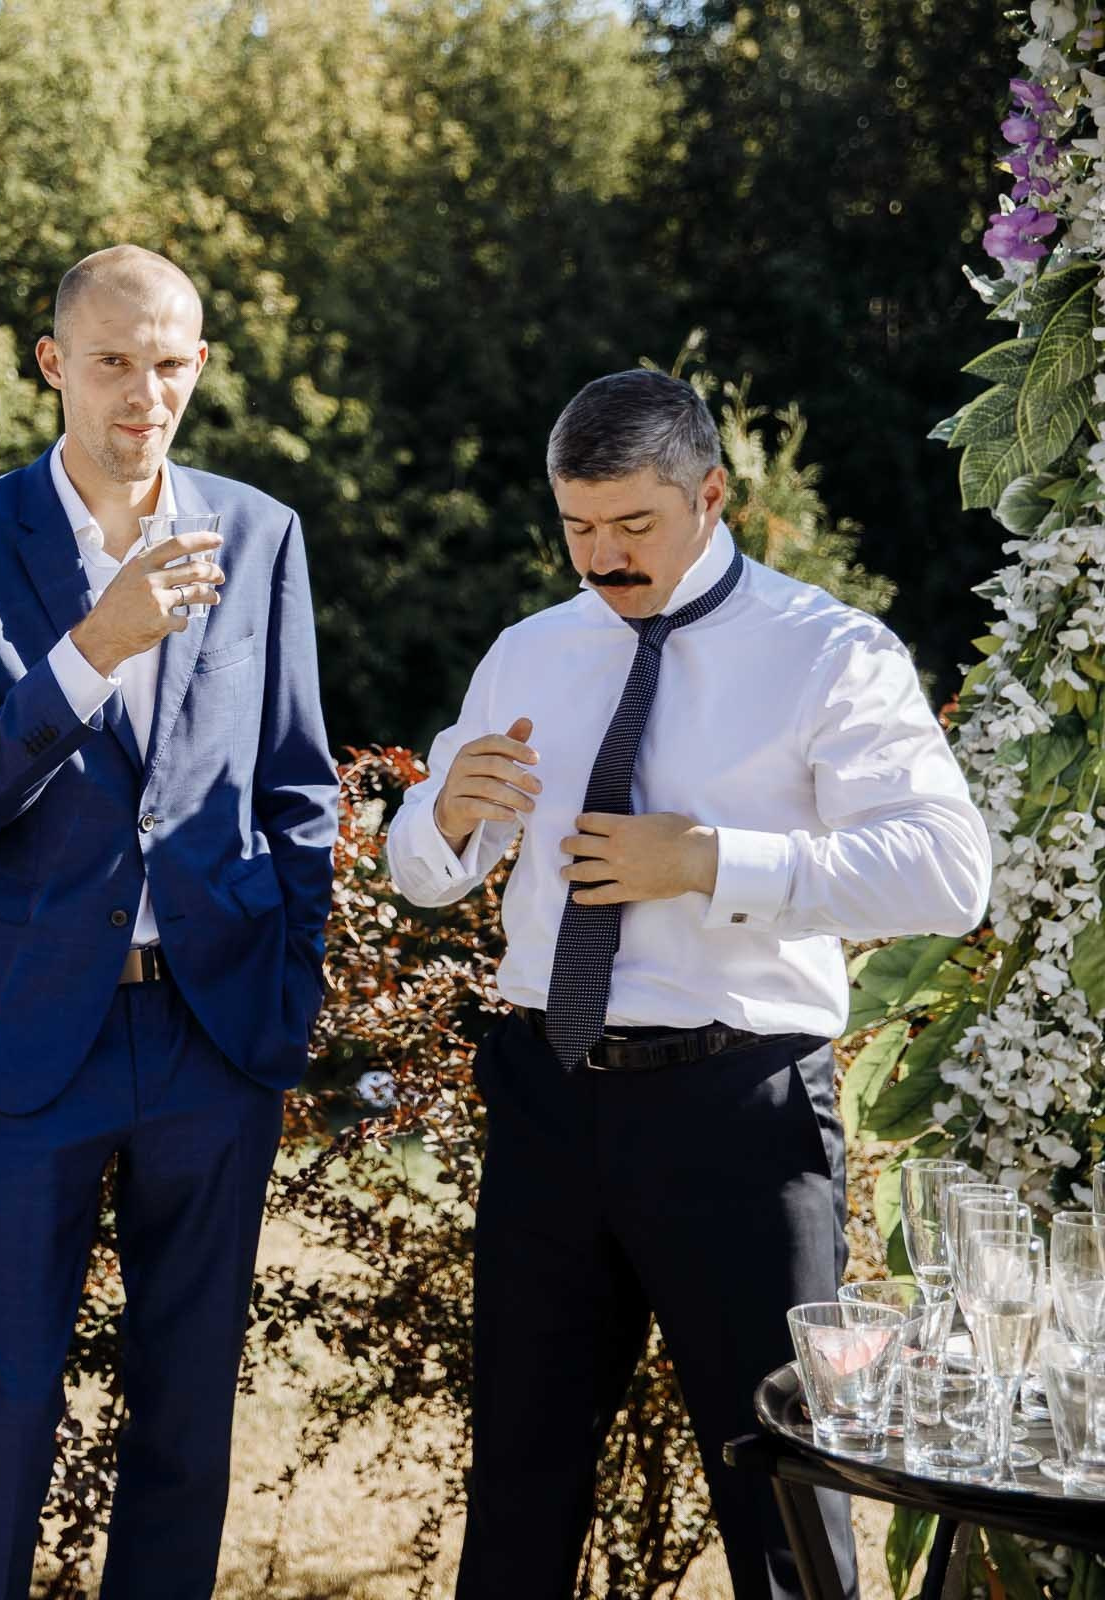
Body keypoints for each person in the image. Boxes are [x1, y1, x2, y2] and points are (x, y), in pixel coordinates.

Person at [385, 369, 990, 1600]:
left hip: (738, 1112)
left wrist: (707, 860)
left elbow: (947, 871)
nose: (602, 560)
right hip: (548, 1101)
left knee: (786, 1494)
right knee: (517, 1484)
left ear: (711, 495)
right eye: (578, 529)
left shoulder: (829, 653)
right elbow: (428, 874)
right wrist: (440, 814)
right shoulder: (529, 653)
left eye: (632, 527)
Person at [0, 245, 338, 1598]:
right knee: (12, 1405)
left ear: (200, 361)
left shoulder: (261, 534)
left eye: (172, 361)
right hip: (27, 1045)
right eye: (113, 362)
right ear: (52, 366)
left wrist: (289, 987)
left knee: (190, 1413)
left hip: (213, 1032)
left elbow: (300, 783)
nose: (146, 393)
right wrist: (94, 647)